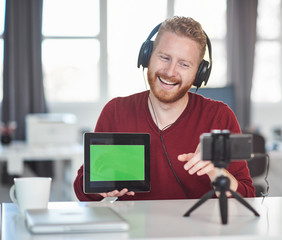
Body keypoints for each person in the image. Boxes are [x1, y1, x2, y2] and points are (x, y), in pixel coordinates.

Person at [73, 16, 255, 201]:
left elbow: (247, 197)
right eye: (164, 57)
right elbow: (82, 191)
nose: (170, 71)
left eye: (184, 64)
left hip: (199, 229)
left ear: (199, 74)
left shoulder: (219, 117)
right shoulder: (116, 111)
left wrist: (215, 171)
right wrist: (101, 185)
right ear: (147, 56)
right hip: (134, 228)